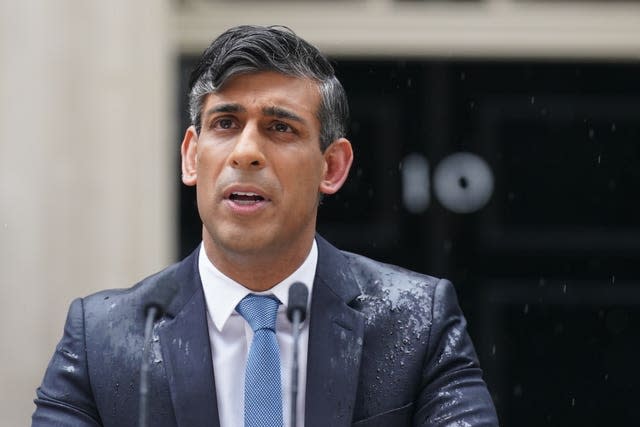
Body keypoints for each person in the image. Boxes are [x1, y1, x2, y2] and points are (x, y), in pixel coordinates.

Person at [32, 25, 498, 427]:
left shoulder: (417, 322)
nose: (245, 152)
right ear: (192, 156)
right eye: (226, 123)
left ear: (332, 167)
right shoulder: (102, 339)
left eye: (280, 128)